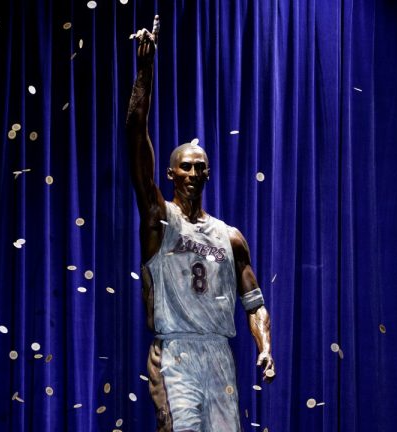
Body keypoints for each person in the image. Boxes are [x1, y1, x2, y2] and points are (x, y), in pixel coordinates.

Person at [125, 16, 275, 432]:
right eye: (185, 167)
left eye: (200, 167)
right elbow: (135, 135)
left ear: (208, 173)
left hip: (218, 354)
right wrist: (145, 72)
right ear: (171, 174)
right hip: (176, 354)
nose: (193, 172)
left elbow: (255, 303)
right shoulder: (159, 219)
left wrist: (265, 345)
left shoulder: (230, 237)